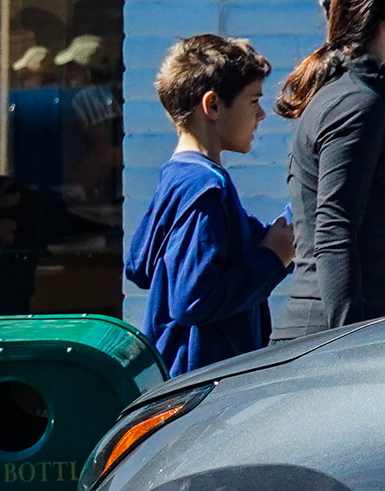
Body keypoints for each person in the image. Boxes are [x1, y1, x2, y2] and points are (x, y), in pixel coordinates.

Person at [125, 35, 295, 378]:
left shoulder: (178, 177)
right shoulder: (203, 187)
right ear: (213, 105)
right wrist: (272, 259)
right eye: (253, 100)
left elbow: (139, 265)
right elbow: (193, 299)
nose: (262, 114)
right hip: (202, 388)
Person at [275, 0, 385, 337]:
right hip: (328, 342)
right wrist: (348, 351)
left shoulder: (357, 93)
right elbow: (334, 229)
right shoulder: (359, 102)